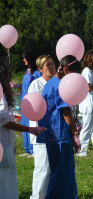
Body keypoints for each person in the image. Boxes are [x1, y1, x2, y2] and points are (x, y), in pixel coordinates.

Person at [0, 60, 46, 199]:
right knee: (5, 186)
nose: (11, 76)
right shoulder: (1, 93)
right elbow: (4, 120)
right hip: (3, 145)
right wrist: (29, 129)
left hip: (6, 144)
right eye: (9, 73)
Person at [37, 55, 81, 198]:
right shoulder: (60, 85)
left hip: (54, 134)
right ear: (66, 70)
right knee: (61, 175)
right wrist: (74, 134)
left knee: (66, 172)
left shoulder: (52, 82)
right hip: (60, 136)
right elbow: (65, 111)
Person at [28, 55, 55, 199]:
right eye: (47, 65)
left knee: (50, 169)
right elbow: (36, 108)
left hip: (54, 131)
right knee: (42, 168)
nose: (51, 67)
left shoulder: (57, 82)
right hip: (40, 131)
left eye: (52, 64)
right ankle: (36, 197)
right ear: (40, 69)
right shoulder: (36, 84)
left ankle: (46, 195)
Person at [20, 50, 42, 156]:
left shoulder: (37, 73)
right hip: (24, 103)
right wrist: (17, 86)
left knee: (31, 125)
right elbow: (25, 87)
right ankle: (27, 150)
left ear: (29, 59)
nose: (23, 60)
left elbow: (38, 87)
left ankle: (33, 150)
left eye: (24, 58)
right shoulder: (26, 71)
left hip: (32, 104)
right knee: (24, 125)